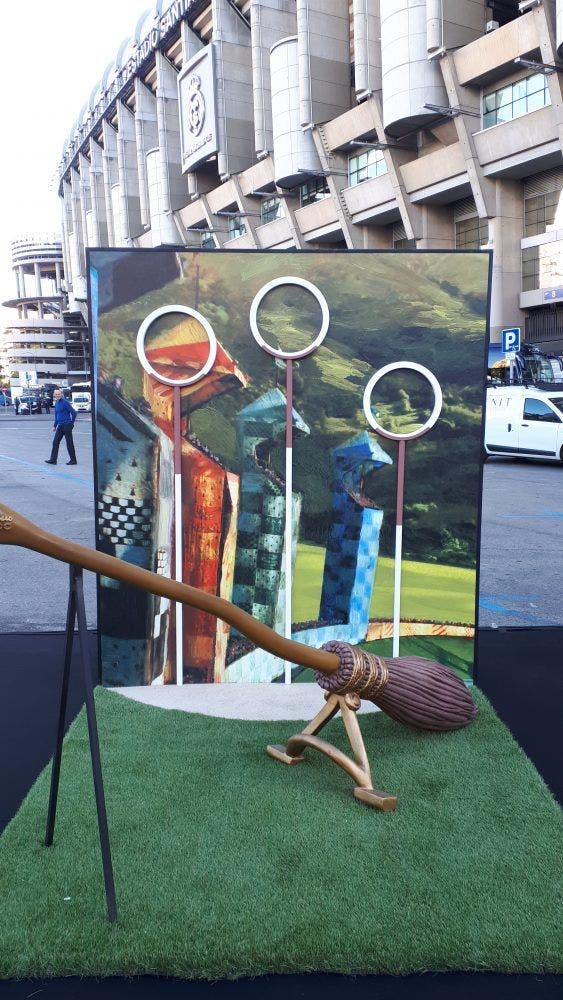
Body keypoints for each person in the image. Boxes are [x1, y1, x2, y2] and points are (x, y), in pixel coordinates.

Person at [45, 389, 77, 466]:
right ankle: (53, 460)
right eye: (56, 394)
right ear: (54, 395)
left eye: (58, 394)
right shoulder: (56, 403)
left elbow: (74, 413)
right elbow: (56, 416)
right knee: (55, 442)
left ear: (61, 394)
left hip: (67, 425)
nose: (57, 396)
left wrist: (71, 423)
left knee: (69, 443)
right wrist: (54, 426)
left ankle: (73, 460)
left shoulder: (65, 403)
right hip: (60, 426)